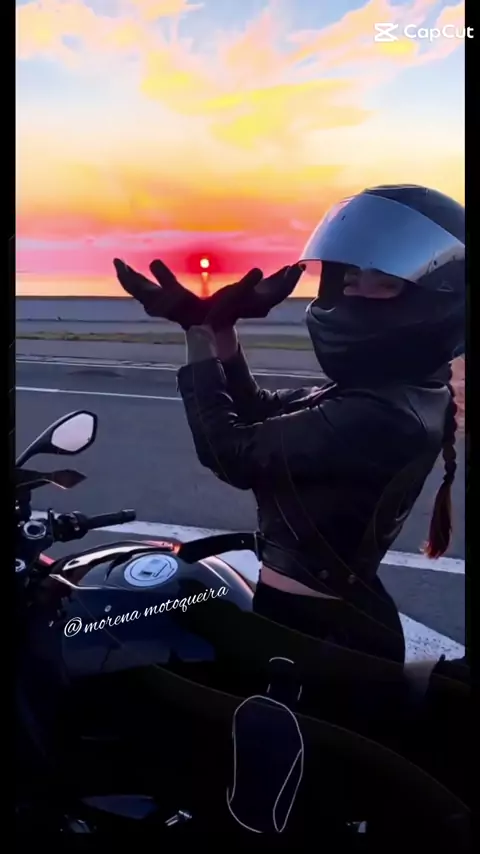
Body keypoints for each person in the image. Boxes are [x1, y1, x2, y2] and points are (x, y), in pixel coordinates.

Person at [114, 184, 465, 664]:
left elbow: (228, 451)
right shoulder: (395, 391)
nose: (353, 292)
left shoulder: (385, 415)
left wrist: (197, 336)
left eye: (383, 282)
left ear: (435, 299)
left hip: (311, 636)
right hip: (330, 618)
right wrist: (221, 330)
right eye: (350, 277)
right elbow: (260, 411)